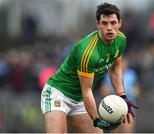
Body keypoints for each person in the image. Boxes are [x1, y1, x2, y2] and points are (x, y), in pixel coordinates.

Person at [41, 2, 139, 133]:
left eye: (113, 23)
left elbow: (115, 70)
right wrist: (96, 119)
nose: (109, 28)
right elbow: (86, 90)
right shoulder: (88, 52)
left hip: (79, 99)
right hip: (58, 94)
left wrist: (122, 96)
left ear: (120, 23)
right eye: (105, 23)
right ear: (98, 24)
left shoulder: (121, 40)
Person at [100, 58, 140, 133]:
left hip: (128, 108)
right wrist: (115, 96)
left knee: (128, 130)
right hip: (114, 108)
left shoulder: (131, 74)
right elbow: (104, 89)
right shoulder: (110, 74)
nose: (123, 65)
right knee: (116, 131)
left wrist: (131, 92)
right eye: (120, 63)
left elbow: (137, 91)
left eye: (124, 62)